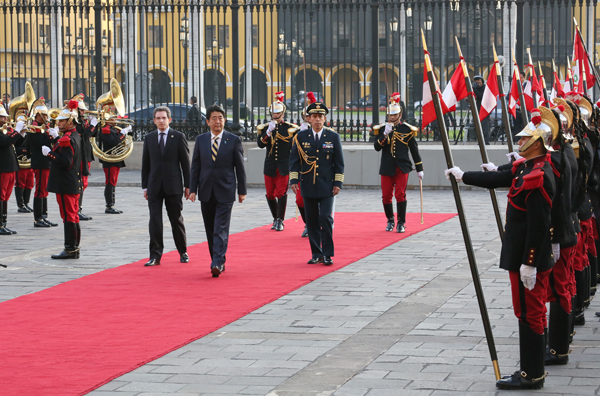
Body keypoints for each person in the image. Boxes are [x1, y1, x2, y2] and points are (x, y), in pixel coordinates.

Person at [445, 106, 557, 390]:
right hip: (521, 255)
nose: (519, 143)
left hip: (527, 257)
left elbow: (539, 225)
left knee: (530, 313)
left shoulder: (537, 175)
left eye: (523, 140)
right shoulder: (527, 168)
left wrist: (530, 262)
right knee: (526, 312)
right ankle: (532, 369)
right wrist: (463, 176)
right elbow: (498, 179)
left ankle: (531, 375)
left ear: (536, 144)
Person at [189, 105, 247, 278]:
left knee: (220, 228)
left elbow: (240, 167)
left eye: (220, 118)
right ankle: (217, 258)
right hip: (206, 190)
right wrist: (192, 189)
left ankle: (217, 262)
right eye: (214, 118)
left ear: (224, 120)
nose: (217, 121)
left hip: (226, 190)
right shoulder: (201, 140)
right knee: (210, 228)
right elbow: (196, 166)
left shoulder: (233, 140)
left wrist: (242, 190)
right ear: (208, 122)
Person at [290, 100, 344, 266]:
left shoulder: (333, 136)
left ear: (325, 118)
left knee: (325, 218)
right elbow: (294, 161)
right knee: (312, 220)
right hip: (308, 185)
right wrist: (293, 179)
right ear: (309, 119)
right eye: (314, 116)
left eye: (321, 116)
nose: (318, 119)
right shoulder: (300, 137)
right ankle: (316, 253)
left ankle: (328, 254)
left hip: (327, 185)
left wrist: (338, 183)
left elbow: (339, 163)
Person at [141, 106, 191, 267]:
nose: (161, 121)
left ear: (169, 120)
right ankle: (155, 255)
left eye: (164, 118)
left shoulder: (178, 137)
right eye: (158, 118)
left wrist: (188, 185)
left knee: (176, 219)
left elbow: (185, 164)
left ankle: (183, 251)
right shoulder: (149, 138)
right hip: (154, 185)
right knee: (154, 220)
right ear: (154, 121)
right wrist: (145, 187)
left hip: (173, 186)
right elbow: (145, 164)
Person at [374, 92, 423, 233]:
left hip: (402, 167)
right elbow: (377, 147)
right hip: (387, 167)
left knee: (400, 194)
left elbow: (414, 150)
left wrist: (419, 168)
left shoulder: (407, 129)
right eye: (390, 115)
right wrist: (384, 134)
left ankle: (401, 222)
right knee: (386, 195)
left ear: (400, 115)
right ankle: (390, 220)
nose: (392, 117)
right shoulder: (382, 129)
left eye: (395, 115)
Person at [43, 105, 83, 259]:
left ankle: (70, 249)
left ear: (71, 122)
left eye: (62, 121)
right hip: (72, 182)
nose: (58, 123)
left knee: (68, 216)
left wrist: (50, 154)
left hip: (66, 183)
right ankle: (74, 248)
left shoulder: (66, 139)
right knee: (72, 215)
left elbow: (66, 162)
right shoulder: (73, 136)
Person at [257, 92, 297, 231]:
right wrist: (268, 133)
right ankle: (275, 218)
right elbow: (261, 144)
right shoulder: (265, 128)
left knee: (281, 192)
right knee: (269, 194)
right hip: (270, 165)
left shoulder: (290, 128)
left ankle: (280, 219)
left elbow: (294, 144)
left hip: (283, 165)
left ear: (283, 113)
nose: (275, 116)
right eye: (274, 113)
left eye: (278, 113)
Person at [27, 97, 58, 228]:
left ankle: (43, 216)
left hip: (45, 162)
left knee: (44, 190)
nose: (47, 117)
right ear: (38, 115)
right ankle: (37, 218)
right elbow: (40, 143)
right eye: (44, 114)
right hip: (39, 162)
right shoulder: (34, 127)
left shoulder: (41, 127)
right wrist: (49, 135)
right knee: (39, 190)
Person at [0, 104, 26, 235]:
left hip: (10, 167)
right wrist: (16, 131)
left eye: (4, 117)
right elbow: (4, 142)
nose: (5, 120)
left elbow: (13, 143)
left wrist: (20, 134)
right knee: (1, 196)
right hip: (2, 168)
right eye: (2, 117)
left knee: (5, 197)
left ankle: (3, 223)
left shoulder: (3, 129)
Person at [70, 94, 96, 221]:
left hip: (86, 155)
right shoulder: (76, 123)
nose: (84, 111)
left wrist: (95, 125)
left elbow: (94, 134)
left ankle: (79, 208)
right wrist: (91, 126)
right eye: (81, 110)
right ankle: (76, 209)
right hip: (80, 156)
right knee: (80, 183)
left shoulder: (83, 121)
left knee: (84, 183)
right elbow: (84, 136)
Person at [98, 119, 131, 214]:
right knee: (110, 182)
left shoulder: (114, 129)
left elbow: (122, 140)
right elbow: (114, 142)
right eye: (113, 118)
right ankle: (109, 205)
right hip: (110, 160)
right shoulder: (106, 130)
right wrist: (122, 133)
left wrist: (128, 132)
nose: (116, 120)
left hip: (116, 158)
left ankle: (112, 204)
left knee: (113, 182)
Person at [473, 75, 490, 144]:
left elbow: (481, 96)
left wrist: (475, 89)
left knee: (484, 125)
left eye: (479, 82)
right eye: (476, 82)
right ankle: (480, 140)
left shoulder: (485, 88)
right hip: (477, 108)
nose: (478, 84)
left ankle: (486, 141)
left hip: (484, 109)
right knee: (477, 125)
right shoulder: (474, 88)